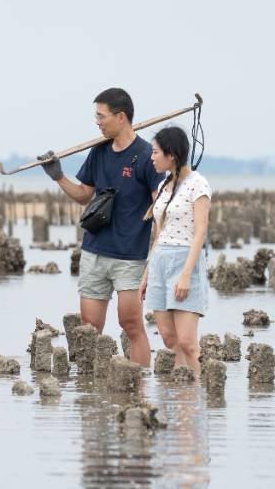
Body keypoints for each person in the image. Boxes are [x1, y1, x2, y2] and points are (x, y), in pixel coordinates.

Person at [38, 88, 164, 366]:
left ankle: (138, 387)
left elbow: (160, 208)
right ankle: (91, 393)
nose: (97, 122)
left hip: (130, 257)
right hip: (94, 251)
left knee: (131, 325)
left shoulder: (146, 155)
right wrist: (58, 176)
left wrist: (156, 255)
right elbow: (84, 194)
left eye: (101, 116)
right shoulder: (98, 151)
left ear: (121, 117)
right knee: (89, 327)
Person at [140, 126, 211, 373]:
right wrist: (147, 274)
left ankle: (198, 399)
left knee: (188, 343)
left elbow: (201, 231)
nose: (152, 157)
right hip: (160, 262)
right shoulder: (163, 186)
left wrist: (185, 274)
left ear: (171, 154)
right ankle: (183, 399)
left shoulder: (198, 184)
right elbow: (159, 234)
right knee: (170, 340)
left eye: (156, 152)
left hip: (185, 261)